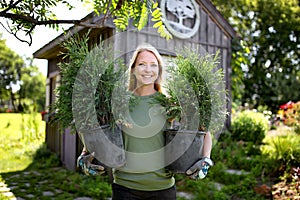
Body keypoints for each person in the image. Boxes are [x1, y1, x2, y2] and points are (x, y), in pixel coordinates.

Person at [77, 43, 214, 200]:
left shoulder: (169, 103)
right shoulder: (119, 102)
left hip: (163, 189)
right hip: (125, 188)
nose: (148, 70)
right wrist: (84, 155)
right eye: (142, 64)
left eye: (153, 65)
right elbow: (94, 130)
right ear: (134, 69)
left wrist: (205, 159)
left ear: (159, 71)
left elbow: (204, 130)